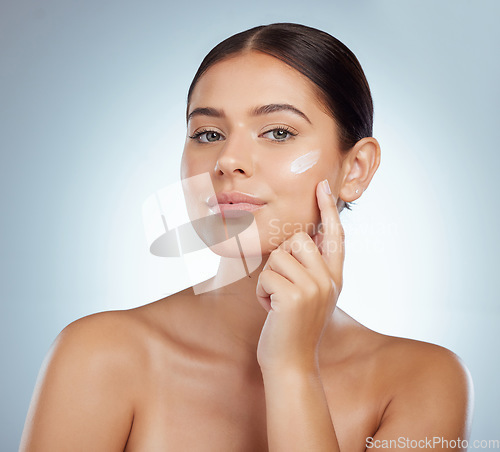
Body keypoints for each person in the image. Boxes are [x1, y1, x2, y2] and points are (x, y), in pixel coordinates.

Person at [20, 23, 473, 451]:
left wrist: (292, 367)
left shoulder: (424, 381)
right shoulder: (99, 357)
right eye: (208, 133)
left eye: (278, 132)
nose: (229, 160)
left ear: (354, 169)